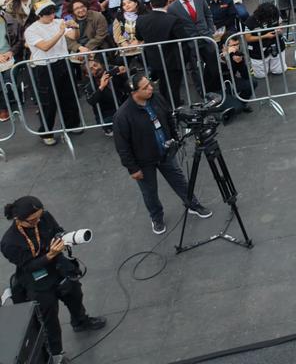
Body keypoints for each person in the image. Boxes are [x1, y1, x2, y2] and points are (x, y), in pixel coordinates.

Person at [2, 195, 106, 363]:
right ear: (18, 220)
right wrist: (50, 254)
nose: (38, 221)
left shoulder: (44, 217)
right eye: (32, 220)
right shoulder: (9, 242)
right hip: (38, 281)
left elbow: (57, 229)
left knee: (75, 294)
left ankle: (80, 321)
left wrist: (63, 238)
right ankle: (56, 355)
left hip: (59, 268)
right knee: (49, 319)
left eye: (39, 216)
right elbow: (28, 266)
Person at [111, 73, 213, 235]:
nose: (150, 88)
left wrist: (174, 138)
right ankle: (156, 218)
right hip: (143, 162)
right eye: (145, 87)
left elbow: (168, 117)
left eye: (149, 84)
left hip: (165, 153)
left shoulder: (156, 98)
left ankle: (192, 204)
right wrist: (133, 168)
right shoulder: (123, 115)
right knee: (150, 192)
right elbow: (122, 146)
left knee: (179, 180)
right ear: (134, 92)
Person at [25, 0, 83, 146]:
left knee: (69, 96)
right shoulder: (31, 30)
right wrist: (60, 32)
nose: (52, 16)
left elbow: (73, 37)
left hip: (63, 62)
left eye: (53, 12)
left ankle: (72, 124)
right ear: (39, 15)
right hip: (45, 67)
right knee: (48, 102)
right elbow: (45, 46)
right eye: (48, 14)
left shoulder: (58, 22)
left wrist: (75, 27)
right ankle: (46, 131)